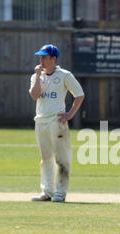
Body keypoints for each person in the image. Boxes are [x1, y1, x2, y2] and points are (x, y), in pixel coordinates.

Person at [29, 44, 85, 203]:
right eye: (40, 57)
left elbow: (79, 95)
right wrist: (39, 76)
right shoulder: (36, 76)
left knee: (62, 158)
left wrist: (69, 115)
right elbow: (34, 95)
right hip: (41, 121)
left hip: (57, 121)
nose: (41, 60)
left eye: (44, 57)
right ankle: (47, 191)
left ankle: (60, 192)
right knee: (46, 158)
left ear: (54, 59)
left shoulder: (65, 75)